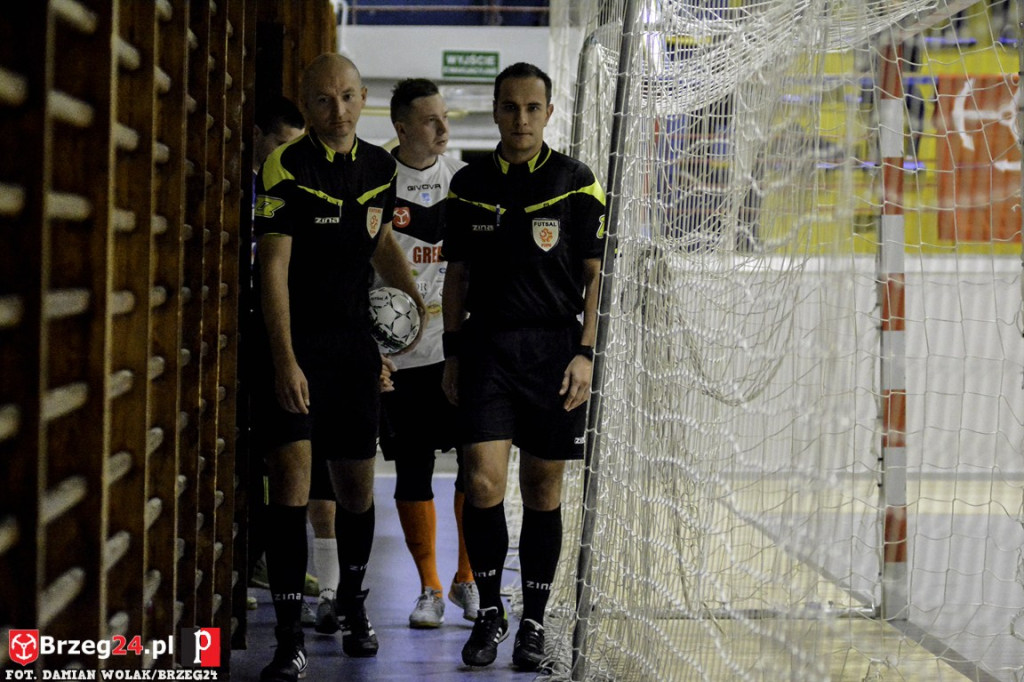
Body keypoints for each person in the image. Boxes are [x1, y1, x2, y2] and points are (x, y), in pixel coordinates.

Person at [252, 53, 425, 682]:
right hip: (296, 352)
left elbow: (378, 241)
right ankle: (289, 640)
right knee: (293, 489)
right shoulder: (285, 166)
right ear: (306, 100)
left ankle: (351, 606)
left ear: (362, 98)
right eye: (324, 99)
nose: (339, 110)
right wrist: (284, 360)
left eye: (349, 96)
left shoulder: (381, 167)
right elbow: (271, 267)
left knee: (356, 494)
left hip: (354, 355)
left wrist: (410, 307)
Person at [440, 62, 607, 670]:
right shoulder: (467, 184)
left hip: (556, 354)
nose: (521, 119)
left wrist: (586, 354)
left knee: (542, 488)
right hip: (486, 349)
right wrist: (453, 352)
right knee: (481, 482)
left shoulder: (576, 182)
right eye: (510, 107)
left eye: (532, 108)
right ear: (494, 110)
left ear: (549, 113)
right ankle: (490, 610)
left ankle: (533, 620)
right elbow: (456, 276)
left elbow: (597, 281)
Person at [378, 77, 478, 628]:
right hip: (401, 358)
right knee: (413, 470)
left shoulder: (462, 184)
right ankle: (430, 588)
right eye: (430, 121)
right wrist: (375, 351)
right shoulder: (375, 183)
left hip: (454, 351)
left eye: (446, 118)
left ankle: (466, 577)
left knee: (472, 465)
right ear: (401, 129)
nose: (443, 129)